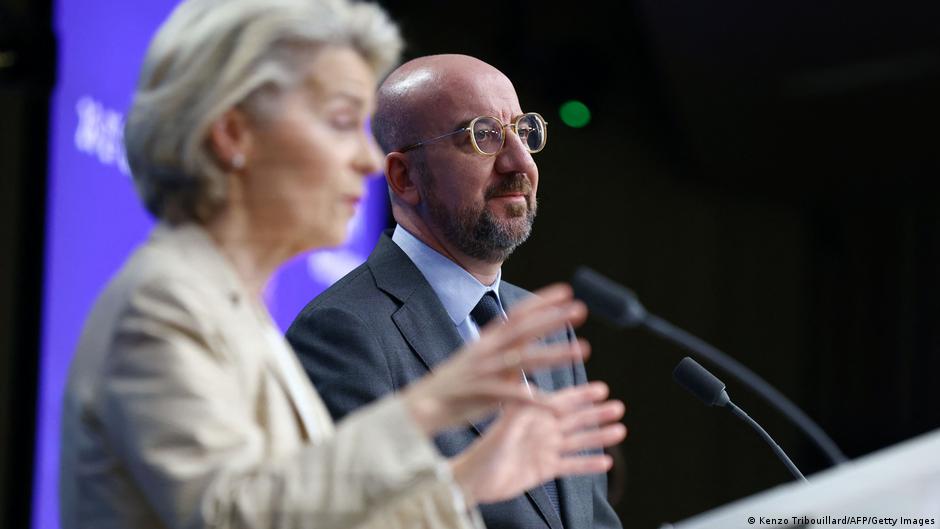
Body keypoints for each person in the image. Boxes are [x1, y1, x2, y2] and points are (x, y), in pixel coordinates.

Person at [57, 2, 628, 528]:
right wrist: (429, 407)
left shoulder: (232, 313)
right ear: (234, 135)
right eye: (338, 122)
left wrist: (463, 484)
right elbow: (232, 518)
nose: (363, 160)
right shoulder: (163, 305)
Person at [286, 54, 624, 529]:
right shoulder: (343, 331)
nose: (520, 162)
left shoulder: (544, 327)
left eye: (524, 132)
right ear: (404, 177)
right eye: (482, 136)